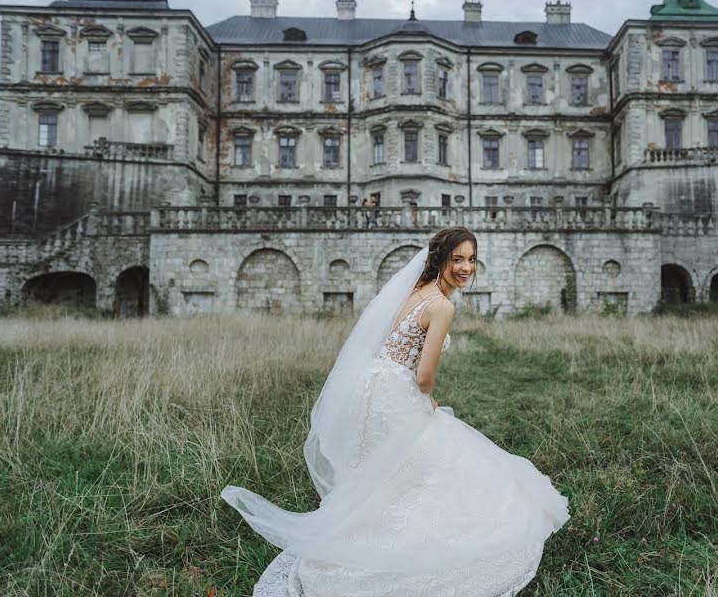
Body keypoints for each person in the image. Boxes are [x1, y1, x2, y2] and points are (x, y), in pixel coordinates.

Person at [221, 226, 569, 596]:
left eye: (471, 259)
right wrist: (427, 400)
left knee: (383, 469)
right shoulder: (442, 305)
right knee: (434, 457)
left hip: (371, 386)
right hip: (395, 390)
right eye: (458, 259)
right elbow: (424, 377)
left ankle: (362, 532)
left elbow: (388, 345)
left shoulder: (416, 290)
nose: (467, 267)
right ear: (441, 260)